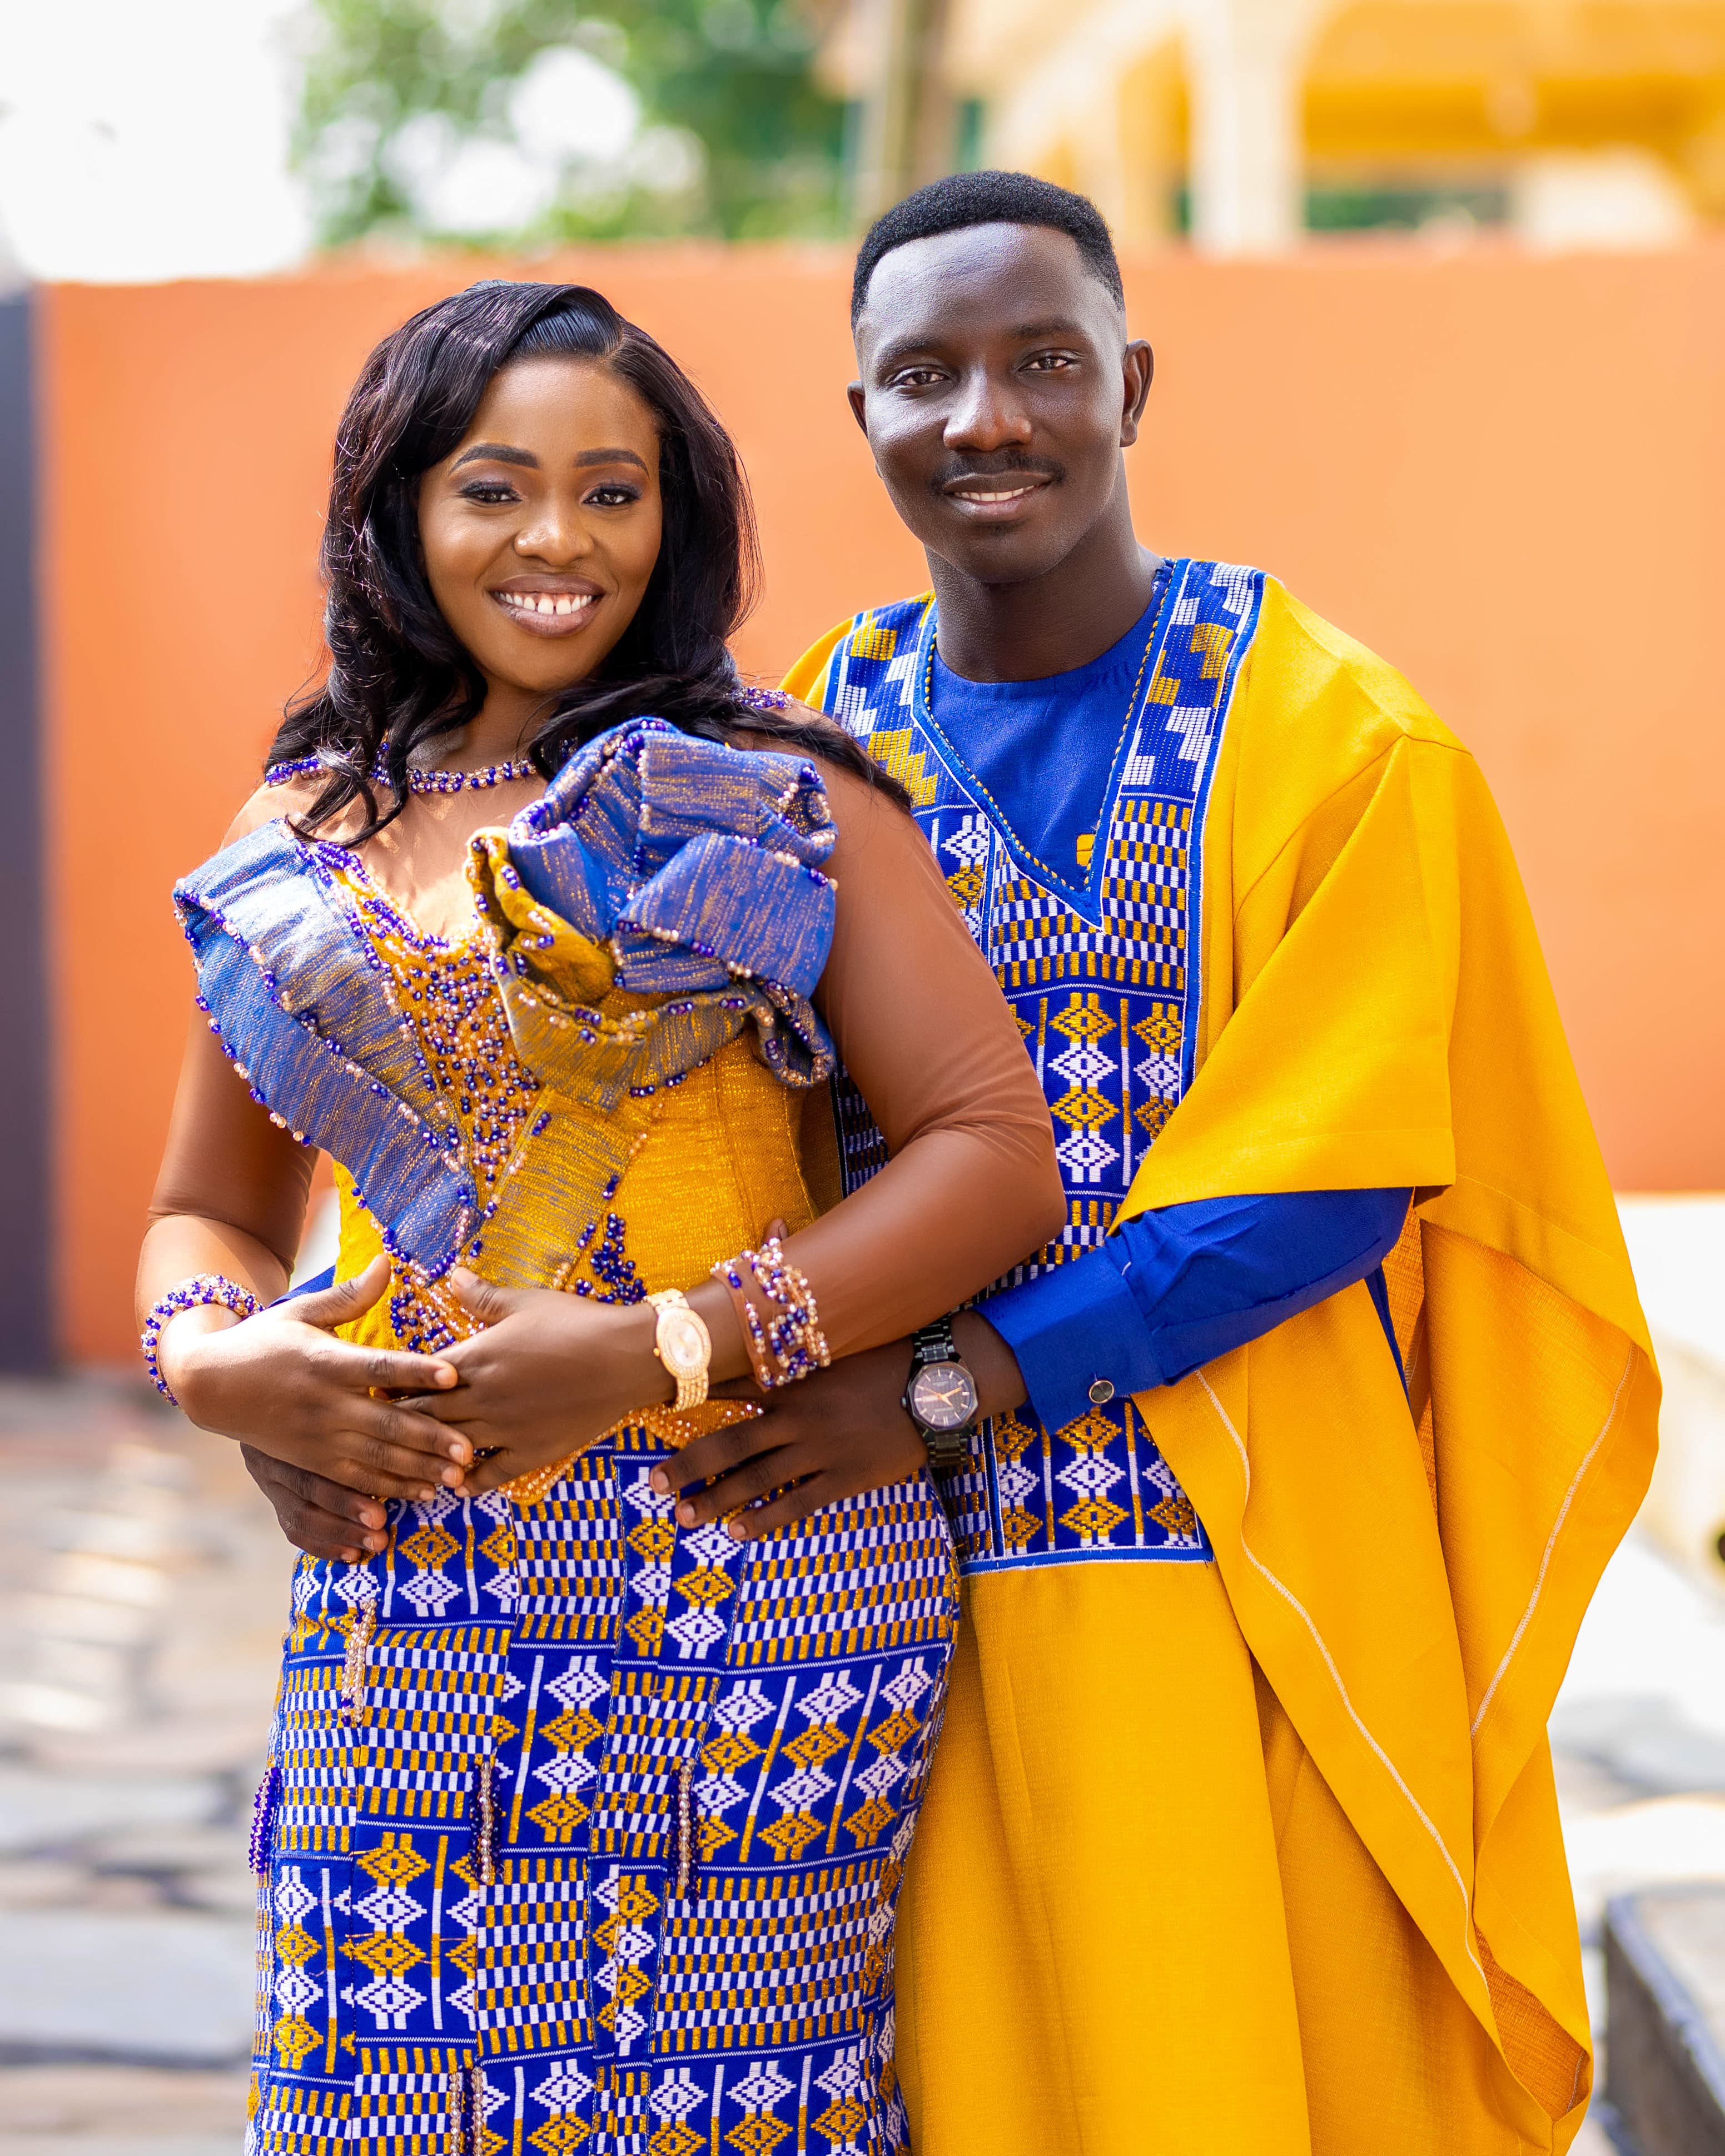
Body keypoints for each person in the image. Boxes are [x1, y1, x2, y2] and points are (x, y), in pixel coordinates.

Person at [633, 173, 1658, 2154]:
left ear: (1134, 384)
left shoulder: (1338, 737)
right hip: (888, 1593)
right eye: (923, 374)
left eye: (1043, 360)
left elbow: (1332, 1173)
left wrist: (940, 1387)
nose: (986, 418)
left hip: (1250, 1548)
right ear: (862, 419)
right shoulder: (789, 757)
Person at [137, 279, 1065, 2156]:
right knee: (379, 2104)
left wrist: (665, 1347)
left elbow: (991, 1151)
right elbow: (203, 1215)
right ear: (398, 506)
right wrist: (222, 1372)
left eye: (611, 492)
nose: (557, 542)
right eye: (495, 487)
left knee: (726, 2113)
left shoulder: (772, 794)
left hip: (747, 1574)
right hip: (415, 1591)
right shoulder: (307, 822)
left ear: (677, 517)